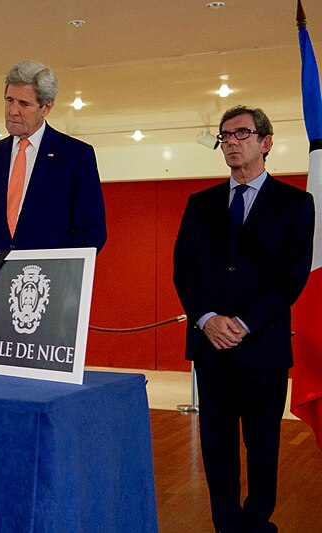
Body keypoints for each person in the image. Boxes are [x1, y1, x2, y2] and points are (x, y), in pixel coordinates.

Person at [173, 106, 315, 533]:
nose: (231, 142)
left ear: (265, 142)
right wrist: (208, 318)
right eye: (224, 136)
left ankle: (256, 520)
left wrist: (245, 323)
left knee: (263, 443)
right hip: (210, 345)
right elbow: (184, 270)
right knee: (216, 444)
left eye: (241, 134)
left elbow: (292, 275)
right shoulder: (200, 205)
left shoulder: (295, 203)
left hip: (262, 346)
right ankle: (226, 524)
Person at [0, 59, 106, 286]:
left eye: (24, 104)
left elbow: (91, 231)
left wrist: (53, 277)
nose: (13, 111)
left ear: (46, 107)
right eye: (9, 100)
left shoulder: (75, 156)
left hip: (52, 289)